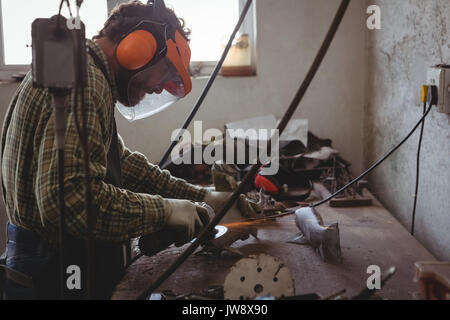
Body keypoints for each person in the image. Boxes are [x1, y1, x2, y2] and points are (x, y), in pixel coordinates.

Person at [0, 0, 254, 299]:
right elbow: (67, 202)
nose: (160, 88)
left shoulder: (82, 70)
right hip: (56, 269)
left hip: (50, 258)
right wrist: (165, 211)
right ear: (139, 47)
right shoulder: (84, 82)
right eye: (166, 71)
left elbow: (120, 163)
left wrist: (202, 196)